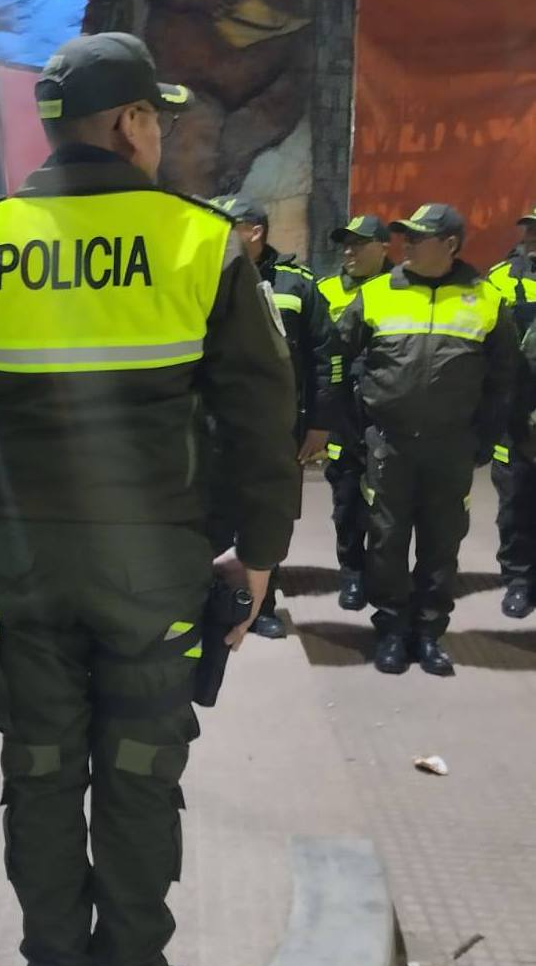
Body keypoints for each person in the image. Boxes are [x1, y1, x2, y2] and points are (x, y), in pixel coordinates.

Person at [0, 33, 299, 966]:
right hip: (153, 571)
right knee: (137, 770)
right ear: (129, 123)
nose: (159, 135)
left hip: (24, 568)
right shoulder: (199, 242)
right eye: (155, 119)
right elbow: (260, 418)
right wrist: (260, 557)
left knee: (38, 771)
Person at [333, 203, 518, 676]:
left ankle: (430, 633)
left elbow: (505, 377)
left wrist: (485, 436)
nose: (406, 244)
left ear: (451, 245)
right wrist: (353, 428)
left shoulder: (487, 299)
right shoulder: (377, 295)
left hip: (450, 447)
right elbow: (336, 358)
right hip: (389, 444)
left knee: (442, 543)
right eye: (405, 237)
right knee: (387, 539)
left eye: (417, 237)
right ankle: (392, 629)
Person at [208, 194, 337, 639]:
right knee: (218, 507)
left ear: (254, 231)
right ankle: (218, 593)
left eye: (226, 226)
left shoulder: (298, 285)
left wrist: (319, 425)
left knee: (269, 509)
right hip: (214, 425)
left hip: (278, 425)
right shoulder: (206, 275)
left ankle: (264, 602)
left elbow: (326, 357)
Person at [316, 215, 394, 611]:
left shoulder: (402, 289)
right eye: (345, 243)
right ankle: (353, 573)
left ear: (384, 247)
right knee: (346, 497)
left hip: (389, 415)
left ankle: (385, 575)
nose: (349, 251)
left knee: (390, 502)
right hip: (343, 414)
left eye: (359, 243)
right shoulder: (324, 290)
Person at [486, 206, 536, 618]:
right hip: (514, 412)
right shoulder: (501, 278)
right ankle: (518, 581)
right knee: (515, 499)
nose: (531, 236)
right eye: (530, 230)